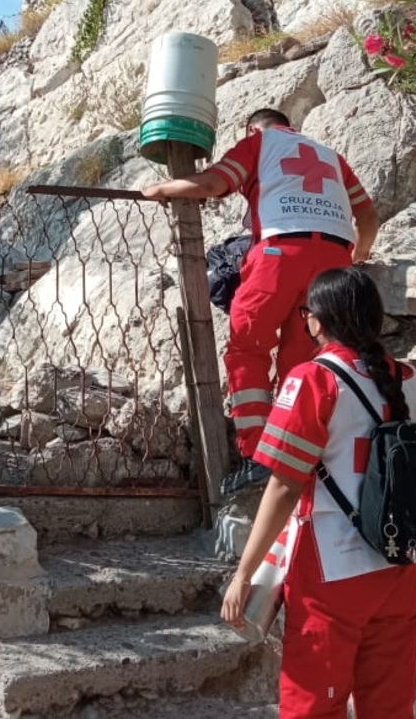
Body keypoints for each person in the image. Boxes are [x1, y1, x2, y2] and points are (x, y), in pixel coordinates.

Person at [221, 266, 416, 719]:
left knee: (313, 706)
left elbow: (283, 485)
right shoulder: (412, 380)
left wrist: (243, 575)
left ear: (317, 320)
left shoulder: (312, 380)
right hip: (401, 566)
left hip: (331, 571)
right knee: (391, 707)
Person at [141, 108, 379, 493]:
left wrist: (162, 189)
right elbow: (367, 215)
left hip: (279, 253)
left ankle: (256, 455)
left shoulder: (259, 143)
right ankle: (299, 452)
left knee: (247, 348)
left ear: (252, 128)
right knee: (302, 361)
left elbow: (213, 184)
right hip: (334, 260)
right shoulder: (329, 155)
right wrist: (356, 259)